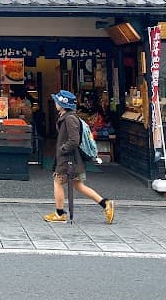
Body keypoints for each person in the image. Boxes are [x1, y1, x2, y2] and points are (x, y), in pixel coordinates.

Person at [43, 90, 115, 224]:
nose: (55, 103)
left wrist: (62, 149)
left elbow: (74, 140)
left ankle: (59, 213)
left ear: (63, 104)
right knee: (79, 185)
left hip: (68, 159)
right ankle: (105, 203)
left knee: (58, 181)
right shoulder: (68, 116)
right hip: (73, 159)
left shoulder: (69, 118)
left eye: (57, 101)